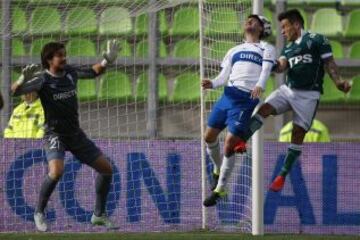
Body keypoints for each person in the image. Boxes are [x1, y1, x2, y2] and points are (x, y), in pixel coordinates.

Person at [235, 9, 351, 192]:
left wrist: (338, 82)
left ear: (296, 25)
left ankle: (282, 175)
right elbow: (281, 66)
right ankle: (242, 140)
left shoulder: (317, 40)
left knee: (297, 134)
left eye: (284, 26)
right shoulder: (288, 48)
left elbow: (329, 63)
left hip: (309, 95)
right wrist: (268, 64)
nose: (282, 31)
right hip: (288, 90)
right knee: (264, 108)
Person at [11, 40, 120, 231]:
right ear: (49, 59)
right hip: (55, 134)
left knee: (106, 169)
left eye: (64, 54)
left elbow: (94, 72)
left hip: (75, 134)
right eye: (60, 55)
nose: (64, 58)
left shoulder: (70, 72)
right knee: (56, 171)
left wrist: (106, 61)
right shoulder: (42, 80)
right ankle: (39, 212)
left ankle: (98, 215)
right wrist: (21, 80)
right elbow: (14, 93)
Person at [201, 14, 275, 207]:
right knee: (208, 137)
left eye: (254, 21)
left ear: (262, 28)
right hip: (227, 95)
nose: (249, 22)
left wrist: (260, 84)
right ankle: (218, 169)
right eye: (248, 20)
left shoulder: (266, 48)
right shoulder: (234, 49)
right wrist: (213, 83)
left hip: (246, 98)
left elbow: (267, 69)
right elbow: (224, 76)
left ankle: (219, 189)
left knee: (230, 143)